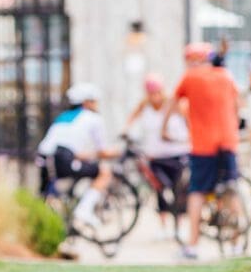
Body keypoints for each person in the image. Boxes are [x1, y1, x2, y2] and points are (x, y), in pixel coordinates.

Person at [162, 42, 241, 259]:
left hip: (203, 143)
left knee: (197, 191)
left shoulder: (190, 77)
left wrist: (164, 128)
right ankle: (236, 243)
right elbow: (237, 104)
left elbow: (172, 102)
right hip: (228, 140)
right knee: (231, 187)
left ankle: (193, 245)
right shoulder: (226, 75)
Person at [37, 82, 119, 228]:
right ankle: (84, 210)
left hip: (44, 159)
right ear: (86, 102)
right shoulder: (93, 118)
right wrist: (118, 151)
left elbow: (67, 149)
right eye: (94, 101)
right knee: (104, 172)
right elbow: (104, 151)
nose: (96, 104)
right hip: (63, 160)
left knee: (45, 198)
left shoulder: (63, 117)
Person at [122, 73, 189, 237]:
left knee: (178, 189)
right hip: (155, 156)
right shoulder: (144, 106)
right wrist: (126, 131)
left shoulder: (173, 105)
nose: (155, 97)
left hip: (176, 153)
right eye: (152, 94)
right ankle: (163, 226)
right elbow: (130, 120)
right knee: (160, 190)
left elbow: (188, 121)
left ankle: (179, 227)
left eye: (158, 93)